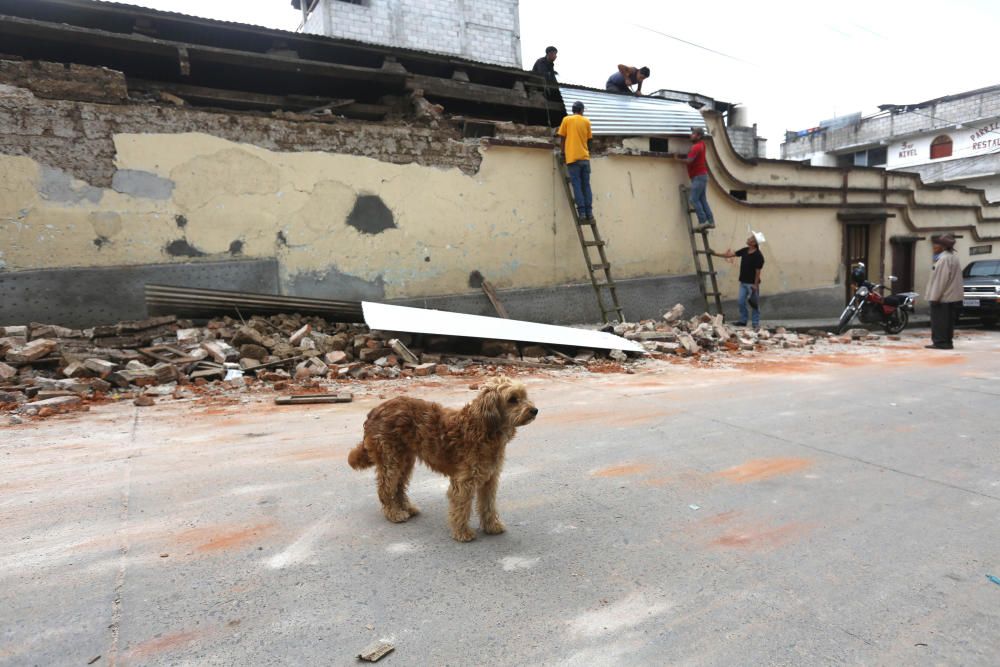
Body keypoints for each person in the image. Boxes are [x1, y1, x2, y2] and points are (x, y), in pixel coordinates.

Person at [712, 234, 765, 329]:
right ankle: (743, 321)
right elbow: (730, 255)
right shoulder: (745, 250)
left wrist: (755, 285)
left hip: (752, 284)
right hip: (743, 282)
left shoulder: (758, 256)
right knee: (741, 302)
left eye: (750, 238)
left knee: (754, 304)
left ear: (753, 243)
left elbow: (758, 272)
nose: (748, 239)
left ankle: (755, 323)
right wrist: (714, 253)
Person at [925, 233, 963, 349]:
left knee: (939, 321)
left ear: (943, 247)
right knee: (948, 322)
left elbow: (940, 281)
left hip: (943, 297)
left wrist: (935, 297)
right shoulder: (952, 257)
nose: (934, 246)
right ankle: (947, 342)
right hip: (950, 297)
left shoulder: (944, 259)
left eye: (937, 244)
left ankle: (940, 342)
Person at [557, 101, 593, 220]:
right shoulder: (586, 121)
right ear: (581, 110)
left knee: (577, 185)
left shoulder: (566, 120)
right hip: (585, 158)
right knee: (586, 185)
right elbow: (589, 141)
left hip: (572, 159)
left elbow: (562, 138)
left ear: (573, 110)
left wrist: (563, 152)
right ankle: (589, 212)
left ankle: (582, 213)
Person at [686, 127, 714, 230]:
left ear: (698, 136)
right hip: (701, 176)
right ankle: (710, 221)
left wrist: (677, 159)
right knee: (702, 200)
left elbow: (689, 161)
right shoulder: (701, 144)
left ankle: (703, 221)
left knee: (693, 199)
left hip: (698, 177)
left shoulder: (696, 147)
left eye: (693, 133)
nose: (691, 135)